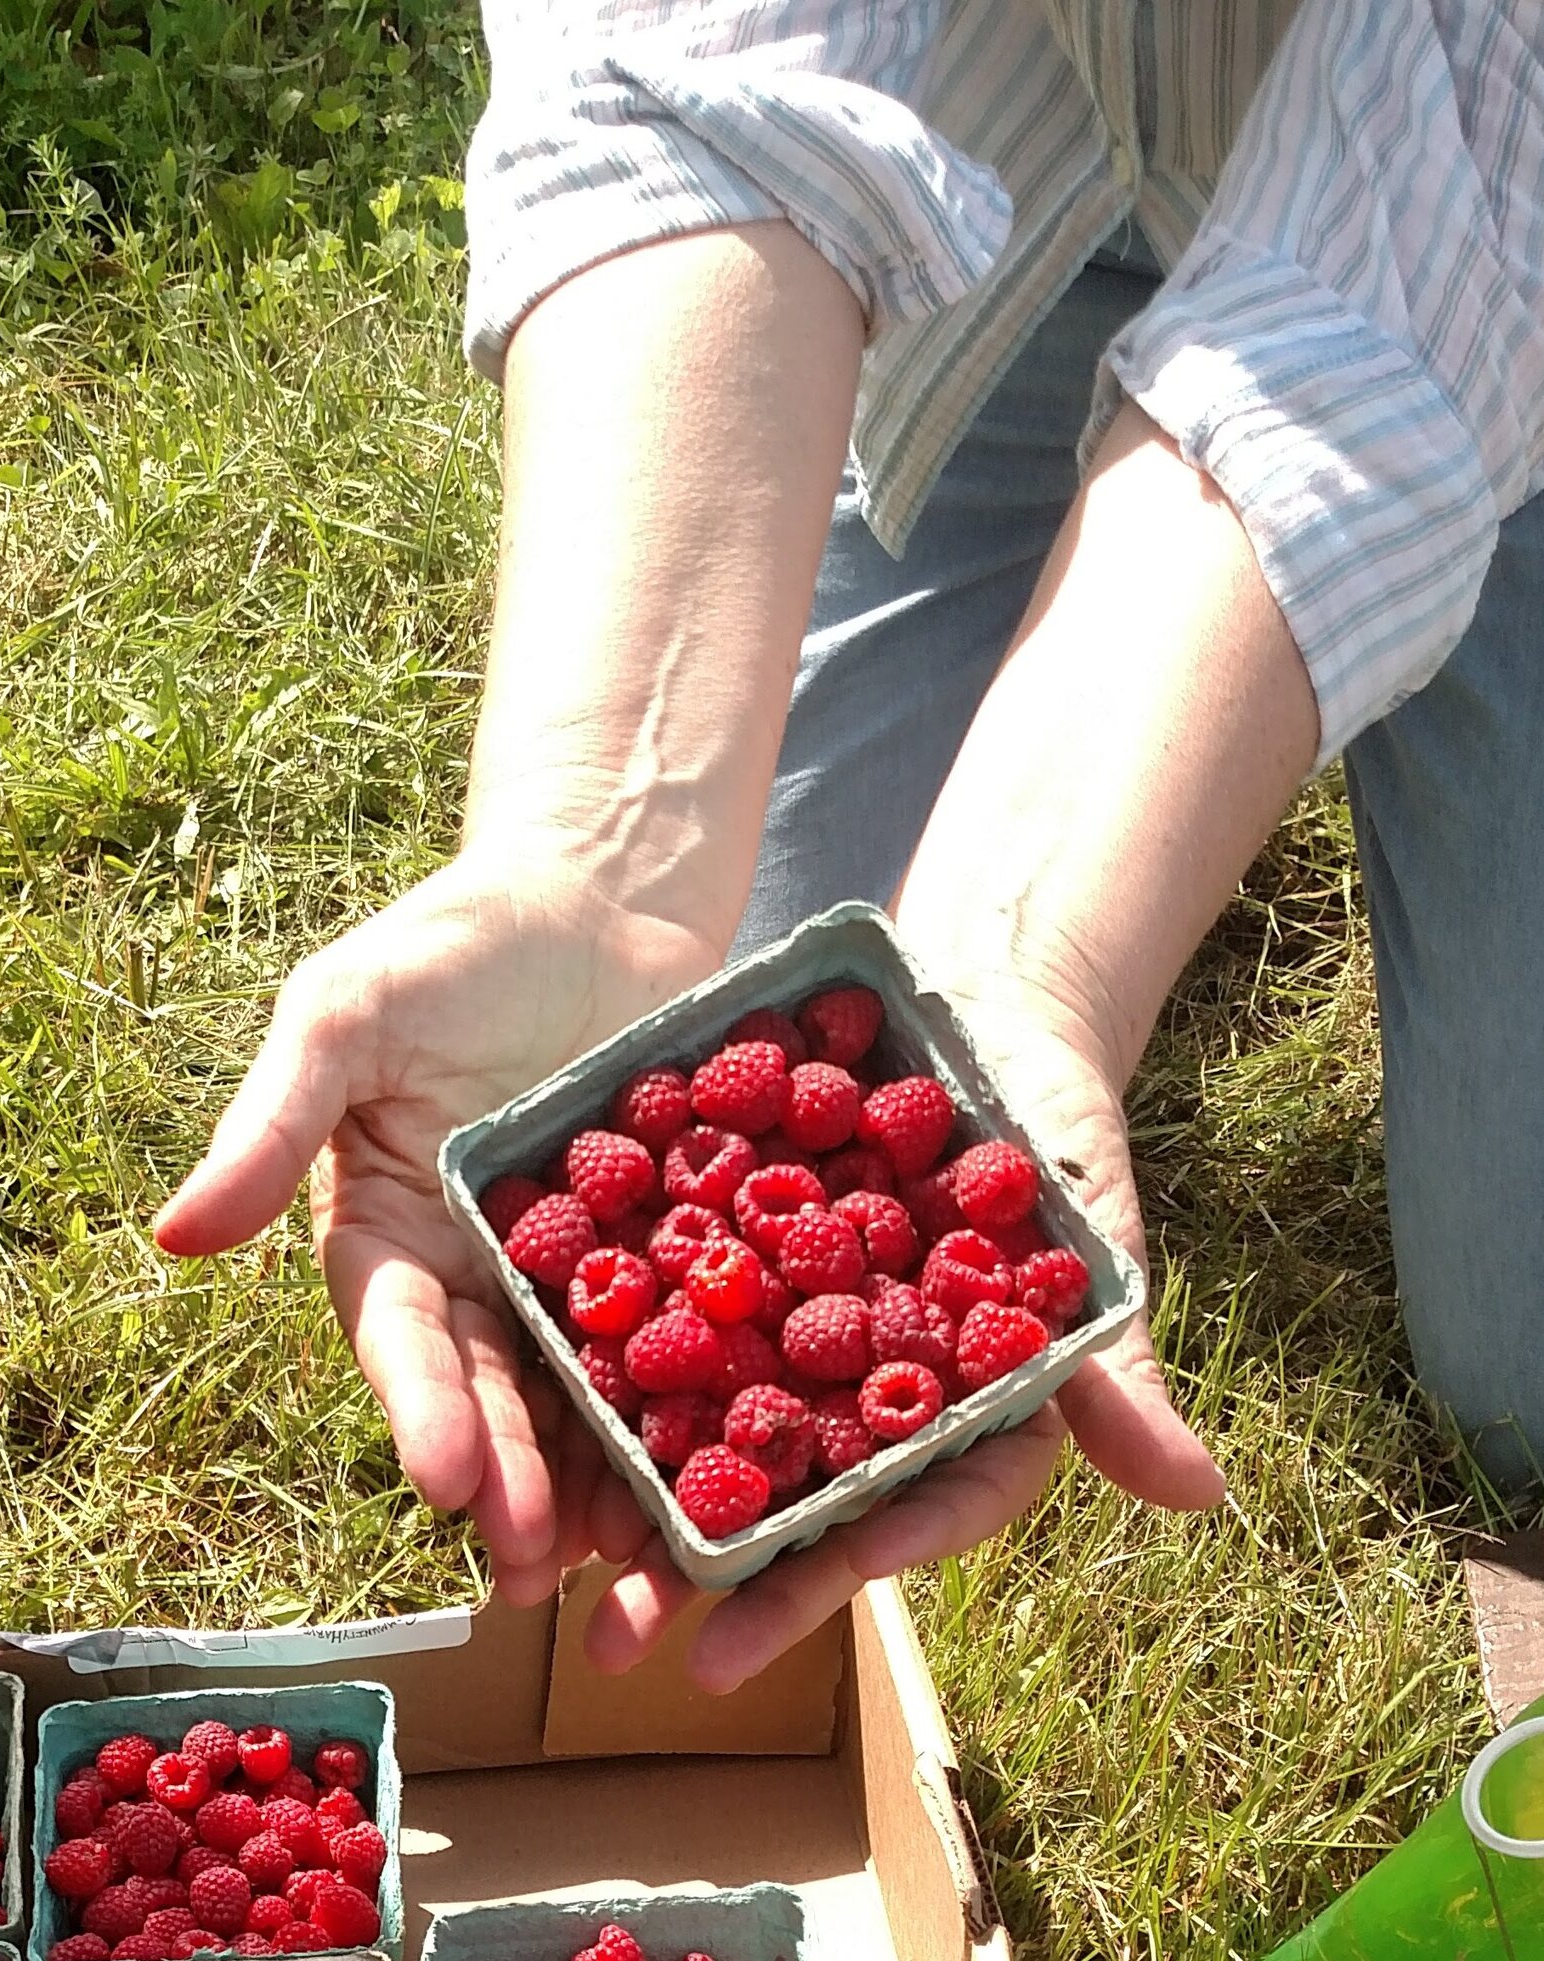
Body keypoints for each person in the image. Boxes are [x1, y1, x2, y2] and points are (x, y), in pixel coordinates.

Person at [155, 5, 1544, 1691]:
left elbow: (1468, 162)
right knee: (768, 982)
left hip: (1502, 235)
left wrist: (1048, 946)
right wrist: (603, 861)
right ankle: (1166, 732)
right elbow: (688, 69)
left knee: (1525, 1362)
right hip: (1024, 195)